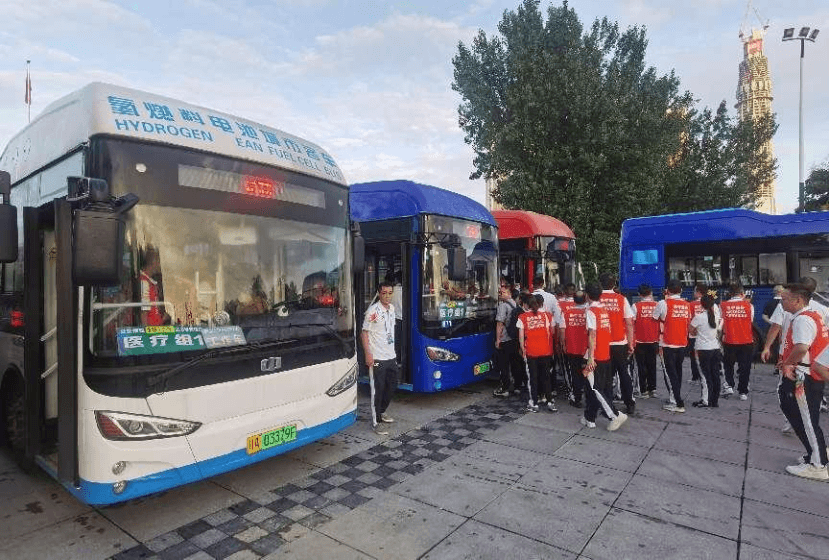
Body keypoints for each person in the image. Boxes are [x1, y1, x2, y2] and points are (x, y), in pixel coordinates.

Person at [776, 283, 829, 480]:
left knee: (808, 421)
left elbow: (801, 348)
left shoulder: (802, 320)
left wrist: (788, 363)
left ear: (798, 300)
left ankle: (819, 466)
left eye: (784, 299)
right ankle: (816, 454)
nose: (782, 303)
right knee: (804, 417)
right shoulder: (813, 315)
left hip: (804, 377)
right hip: (809, 374)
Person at [582, 283, 628, 431]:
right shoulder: (603, 310)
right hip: (604, 353)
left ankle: (615, 415)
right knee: (594, 387)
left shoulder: (591, 311)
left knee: (595, 388)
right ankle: (589, 417)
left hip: (595, 355)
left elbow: (592, 335)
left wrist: (590, 357)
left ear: (587, 295)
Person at [361, 282, 398, 435]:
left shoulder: (392, 309)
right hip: (377, 357)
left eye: (390, 293)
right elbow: (364, 333)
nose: (387, 296)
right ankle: (376, 422)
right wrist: (368, 354)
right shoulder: (373, 311)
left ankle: (381, 412)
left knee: (392, 386)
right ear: (379, 293)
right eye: (384, 293)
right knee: (378, 389)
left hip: (390, 356)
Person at [598, 274, 636, 414]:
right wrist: (630, 343)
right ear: (614, 284)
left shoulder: (595, 299)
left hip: (602, 344)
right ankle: (629, 403)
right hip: (620, 342)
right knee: (624, 373)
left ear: (600, 284)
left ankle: (607, 404)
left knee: (605, 375)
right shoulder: (621, 299)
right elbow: (629, 323)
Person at [653, 279, 692, 413]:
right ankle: (675, 398)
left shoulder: (663, 303)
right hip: (682, 343)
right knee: (678, 371)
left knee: (670, 374)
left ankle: (677, 402)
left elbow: (654, 317)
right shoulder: (687, 305)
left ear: (668, 290)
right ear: (681, 290)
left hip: (668, 343)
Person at [517, 292, 556, 412]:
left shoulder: (522, 317)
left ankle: (534, 403)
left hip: (531, 352)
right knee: (546, 377)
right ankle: (549, 401)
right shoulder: (548, 315)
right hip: (546, 351)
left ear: (527, 305)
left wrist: (522, 349)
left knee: (532, 378)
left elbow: (521, 336)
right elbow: (552, 332)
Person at [721, 283, 755, 401]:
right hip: (746, 340)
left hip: (729, 339)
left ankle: (729, 385)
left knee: (728, 365)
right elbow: (750, 321)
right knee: (745, 367)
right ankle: (743, 392)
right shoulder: (749, 306)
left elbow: (721, 322)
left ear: (730, 294)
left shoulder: (723, 305)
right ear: (742, 294)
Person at [689, 293, 723, 408]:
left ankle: (706, 400)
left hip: (703, 349)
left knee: (705, 376)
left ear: (701, 304)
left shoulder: (699, 317)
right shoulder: (716, 317)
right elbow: (719, 330)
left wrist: (698, 332)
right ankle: (714, 400)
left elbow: (691, 330)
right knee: (715, 375)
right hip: (715, 348)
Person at [559, 289, 589, 407]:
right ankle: (590, 399)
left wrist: (563, 344)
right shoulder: (589, 312)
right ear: (585, 299)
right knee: (587, 374)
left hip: (571, 348)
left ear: (574, 300)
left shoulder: (566, 313)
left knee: (575, 374)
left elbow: (562, 331)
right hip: (586, 349)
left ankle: (577, 398)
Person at [494, 285, 523, 397]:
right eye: (499, 292)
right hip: (515, 338)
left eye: (503, 292)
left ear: (509, 293)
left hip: (505, 339)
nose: (500, 294)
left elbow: (500, 324)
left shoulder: (503, 306)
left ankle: (505, 388)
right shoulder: (516, 304)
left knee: (504, 365)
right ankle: (517, 386)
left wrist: (498, 339)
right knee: (516, 363)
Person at [633, 284, 660, 399]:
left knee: (641, 366)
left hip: (639, 341)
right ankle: (652, 389)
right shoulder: (657, 305)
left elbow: (632, 322)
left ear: (639, 294)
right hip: (654, 340)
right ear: (651, 293)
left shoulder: (635, 306)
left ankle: (643, 390)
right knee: (652, 365)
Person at [138, 245, 170, 326]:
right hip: (152, 330)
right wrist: (146, 331)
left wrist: (163, 318)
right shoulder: (144, 282)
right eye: (160, 261)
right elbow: (144, 313)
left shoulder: (150, 281)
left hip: (157, 327)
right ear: (154, 261)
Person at [686, 284, 705, 382]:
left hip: (693, 334)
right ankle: (704, 376)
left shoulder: (691, 304)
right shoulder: (709, 303)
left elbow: (688, 319)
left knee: (694, 356)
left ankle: (695, 377)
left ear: (698, 293)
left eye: (694, 291)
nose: (693, 293)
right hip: (705, 334)